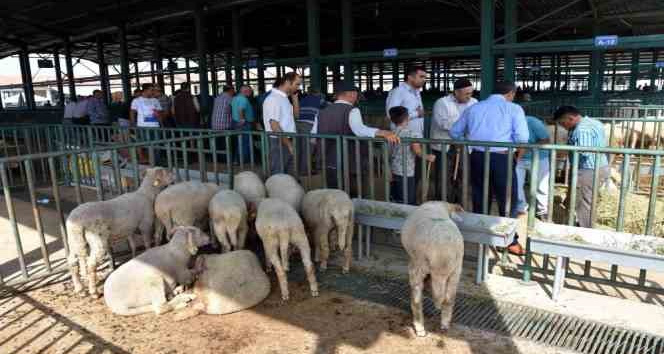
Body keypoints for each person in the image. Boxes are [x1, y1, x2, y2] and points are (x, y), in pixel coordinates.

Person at [450, 81, 529, 255]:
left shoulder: (474, 108)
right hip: (502, 157)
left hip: (477, 156)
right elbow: (523, 137)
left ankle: (482, 235)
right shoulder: (514, 109)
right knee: (507, 198)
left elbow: (454, 132)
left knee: (480, 194)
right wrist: (514, 152)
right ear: (511, 94)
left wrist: (469, 143)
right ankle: (509, 240)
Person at [313, 81, 399, 192]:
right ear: (351, 94)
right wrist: (382, 132)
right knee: (354, 195)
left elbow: (313, 136)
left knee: (334, 193)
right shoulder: (352, 110)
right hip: (350, 164)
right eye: (356, 94)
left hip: (328, 162)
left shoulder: (321, 112)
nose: (356, 96)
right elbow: (359, 130)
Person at [553, 105, 609, 228]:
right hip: (600, 165)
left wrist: (566, 150)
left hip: (588, 169)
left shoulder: (582, 129)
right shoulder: (594, 122)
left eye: (563, 123)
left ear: (570, 118)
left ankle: (585, 230)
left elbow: (585, 151)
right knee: (586, 197)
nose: (563, 126)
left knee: (584, 202)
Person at [430, 78, 477, 202]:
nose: (469, 96)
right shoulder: (442, 103)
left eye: (471, 93)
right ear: (456, 92)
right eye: (466, 93)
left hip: (464, 146)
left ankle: (460, 203)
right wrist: (466, 126)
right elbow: (443, 124)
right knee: (443, 176)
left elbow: (476, 123)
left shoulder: (474, 102)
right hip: (445, 147)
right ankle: (442, 203)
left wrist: (467, 126)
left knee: (463, 176)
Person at [389, 106, 436, 205]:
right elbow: (417, 151)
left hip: (394, 169)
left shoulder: (390, 134)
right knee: (408, 199)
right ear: (407, 118)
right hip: (407, 171)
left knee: (396, 196)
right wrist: (428, 157)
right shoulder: (411, 134)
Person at [263, 72, 301, 175]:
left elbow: (296, 116)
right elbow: (274, 125)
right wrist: (288, 144)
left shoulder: (284, 98)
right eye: (297, 84)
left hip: (286, 138)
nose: (298, 87)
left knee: (289, 170)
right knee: (278, 171)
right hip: (278, 140)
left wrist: (295, 99)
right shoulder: (273, 99)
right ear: (288, 82)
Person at [514, 115, 551, 220]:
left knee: (541, 185)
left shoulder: (533, 122)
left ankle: (542, 210)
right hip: (519, 157)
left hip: (539, 157)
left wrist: (528, 148)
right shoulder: (506, 124)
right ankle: (521, 208)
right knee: (516, 183)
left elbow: (546, 140)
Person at [386, 65, 427, 136]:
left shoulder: (416, 92)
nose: (424, 80)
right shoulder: (398, 91)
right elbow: (391, 114)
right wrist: (416, 114)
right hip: (403, 136)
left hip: (416, 134)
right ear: (410, 77)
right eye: (421, 77)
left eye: (425, 77)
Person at [296, 87, 327, 173]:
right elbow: (327, 108)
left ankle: (297, 169)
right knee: (308, 149)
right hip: (309, 125)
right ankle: (304, 171)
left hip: (298, 125)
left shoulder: (303, 99)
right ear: (317, 93)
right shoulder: (319, 99)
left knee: (300, 148)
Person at [231, 85, 255, 164]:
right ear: (245, 91)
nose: (251, 93)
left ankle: (236, 160)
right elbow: (241, 110)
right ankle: (243, 161)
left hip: (235, 122)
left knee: (239, 142)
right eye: (250, 91)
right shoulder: (243, 99)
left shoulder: (234, 98)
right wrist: (242, 120)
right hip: (244, 124)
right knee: (245, 143)